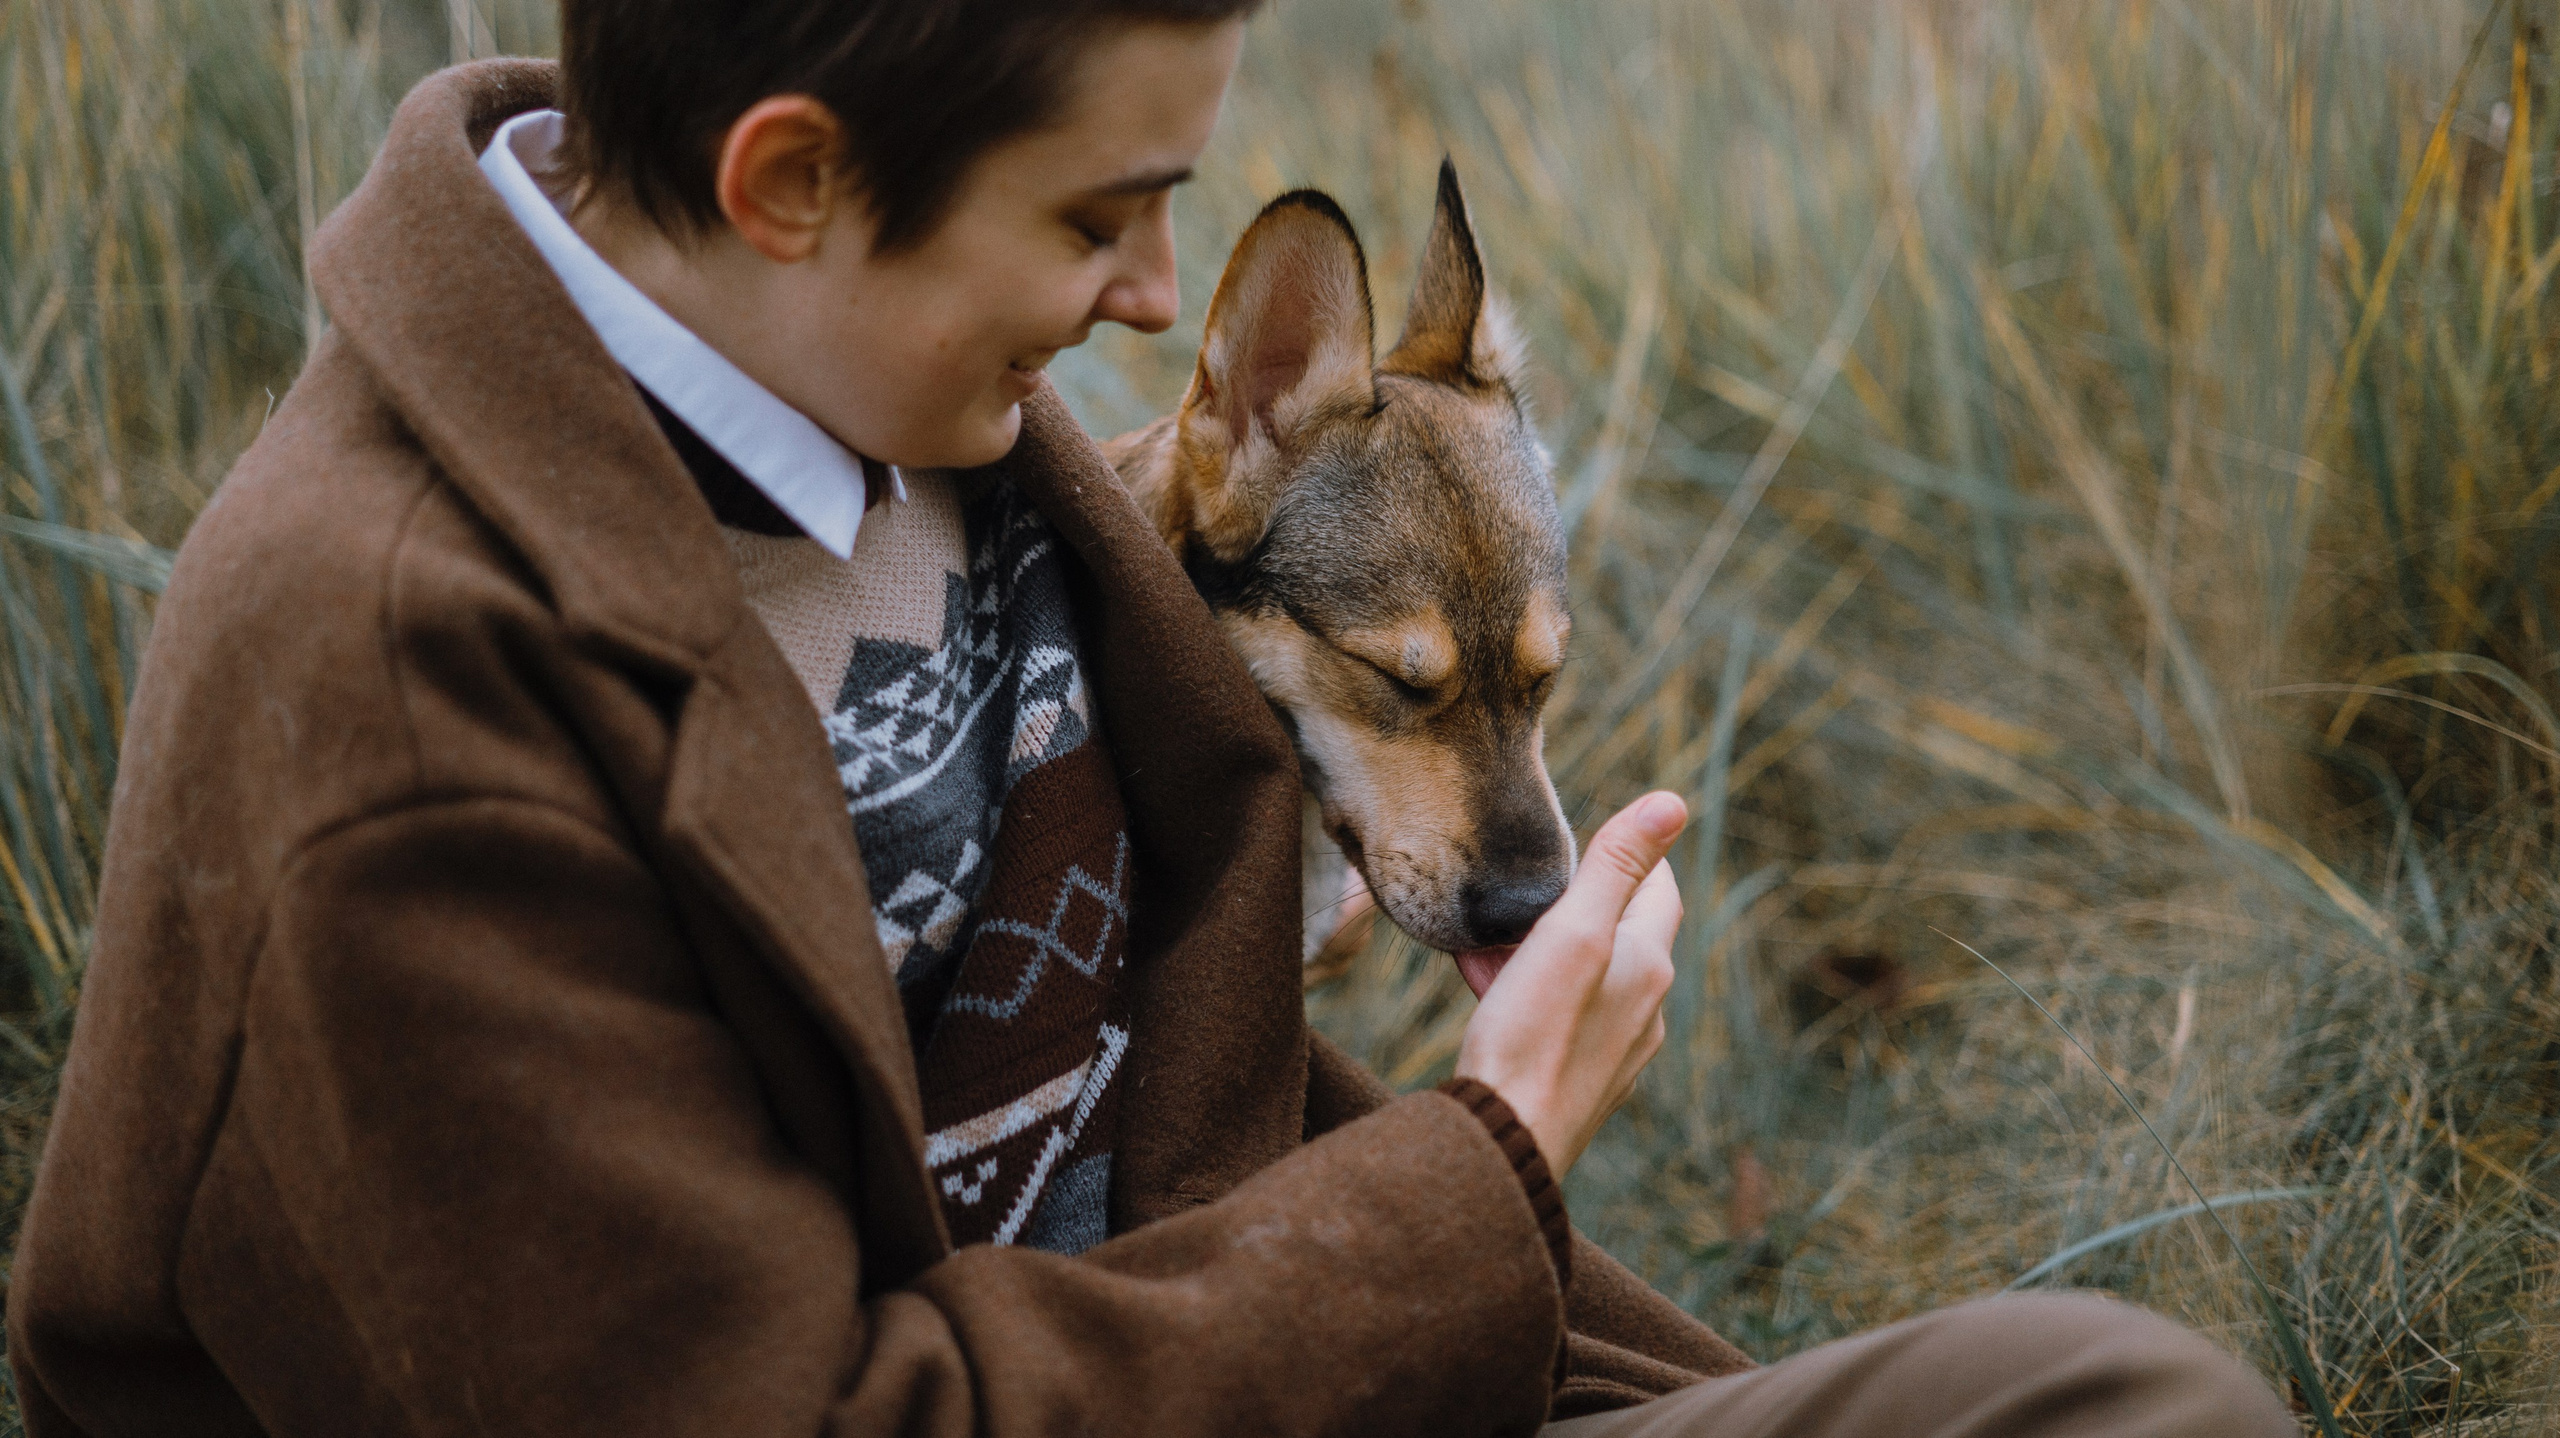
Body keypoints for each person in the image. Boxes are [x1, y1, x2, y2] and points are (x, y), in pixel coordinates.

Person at [4, 3, 2299, 1435]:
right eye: (1101, 215)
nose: (1148, 306)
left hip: (1273, 1353)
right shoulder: (399, 694)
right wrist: (1478, 1165)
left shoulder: (912, 407)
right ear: (789, 181)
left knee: (2114, 1394)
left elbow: (1167, 1048)